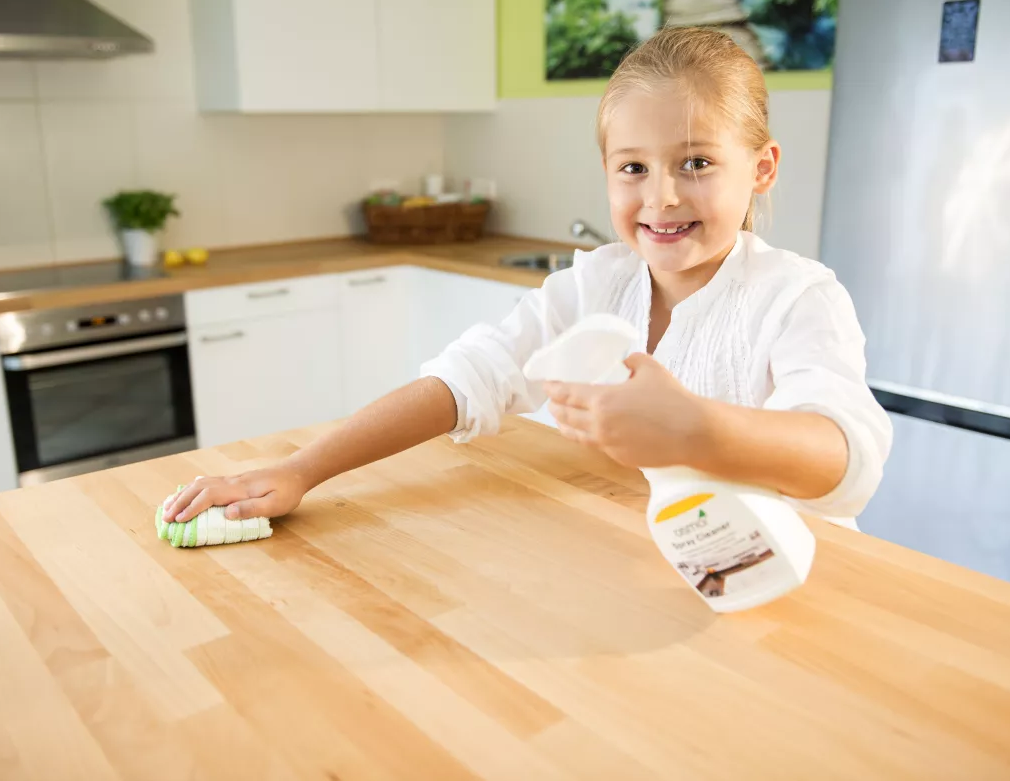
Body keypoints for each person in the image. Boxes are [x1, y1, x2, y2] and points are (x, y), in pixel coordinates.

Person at [163, 27, 892, 528]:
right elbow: (468, 377)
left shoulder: (797, 297)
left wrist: (696, 429)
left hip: (789, 596)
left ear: (761, 167)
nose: (661, 196)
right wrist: (300, 470)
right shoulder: (596, 285)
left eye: (697, 162)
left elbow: (845, 461)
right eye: (633, 167)